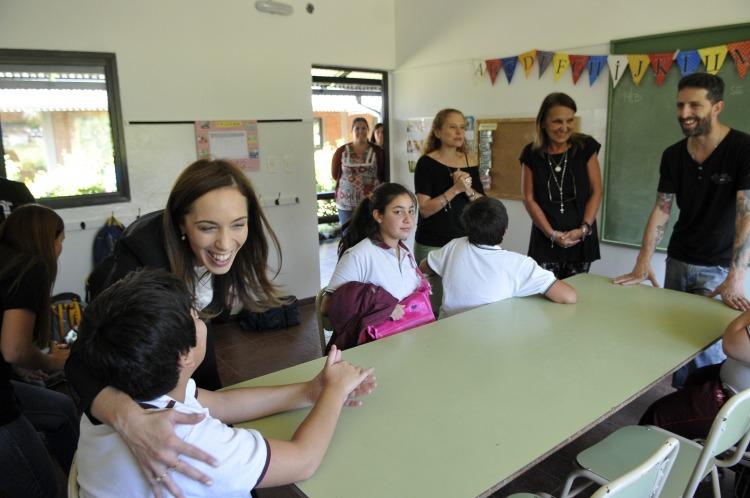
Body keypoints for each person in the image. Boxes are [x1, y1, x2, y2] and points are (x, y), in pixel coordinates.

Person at [66, 158, 285, 497]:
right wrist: (130, 420)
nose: (226, 243)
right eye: (208, 227)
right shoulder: (140, 258)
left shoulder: (221, 254)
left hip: (185, 381)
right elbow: (80, 360)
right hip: (141, 397)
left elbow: (204, 381)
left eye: (238, 225)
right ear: (182, 223)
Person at [74, 269, 376, 497]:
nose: (202, 319)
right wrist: (334, 391)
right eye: (195, 316)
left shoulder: (112, 400)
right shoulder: (193, 442)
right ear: (184, 356)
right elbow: (302, 460)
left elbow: (222, 402)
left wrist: (312, 391)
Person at [614, 73, 750, 387]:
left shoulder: (743, 148)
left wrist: (736, 276)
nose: (684, 113)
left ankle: (704, 411)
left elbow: (746, 214)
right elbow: (662, 209)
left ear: (717, 107)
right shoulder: (673, 155)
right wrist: (642, 261)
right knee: (674, 343)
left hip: (717, 268)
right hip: (678, 260)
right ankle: (679, 407)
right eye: (680, 105)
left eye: (694, 105)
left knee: (705, 351)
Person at [0, 204, 79, 498]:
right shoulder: (30, 267)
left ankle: (85, 484)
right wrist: (51, 361)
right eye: (60, 239)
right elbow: (13, 348)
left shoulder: (6, 261)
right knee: (42, 488)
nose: (60, 248)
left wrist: (20, 366)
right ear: (46, 239)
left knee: (61, 410)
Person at [420, 197, 576, 318]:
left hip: (447, 329)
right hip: (491, 337)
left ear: (467, 226)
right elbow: (569, 297)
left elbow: (423, 267)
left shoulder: (455, 246)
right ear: (505, 230)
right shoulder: (519, 264)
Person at [322, 183, 428, 350]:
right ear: (378, 215)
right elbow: (328, 306)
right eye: (398, 212)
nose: (408, 219)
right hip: (373, 348)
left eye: (411, 211)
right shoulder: (359, 255)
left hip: (408, 340)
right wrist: (383, 306)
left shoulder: (405, 252)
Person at [520, 92, 602, 280]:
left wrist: (583, 229)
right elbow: (528, 198)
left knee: (576, 293)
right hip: (546, 240)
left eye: (569, 120)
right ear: (543, 122)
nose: (564, 128)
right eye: (557, 121)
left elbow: (596, 191)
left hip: (581, 239)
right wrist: (551, 234)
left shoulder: (585, 147)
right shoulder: (531, 153)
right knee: (544, 294)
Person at [413, 108, 485, 312]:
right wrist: (455, 189)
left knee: (462, 305)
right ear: (437, 132)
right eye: (453, 127)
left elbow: (483, 204)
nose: (459, 132)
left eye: (462, 127)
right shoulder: (426, 163)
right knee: (435, 308)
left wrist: (467, 189)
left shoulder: (470, 160)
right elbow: (425, 209)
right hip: (433, 244)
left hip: (465, 243)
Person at [640, 310, 750, 440]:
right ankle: (684, 435)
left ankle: (647, 444)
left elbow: (732, 344)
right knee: (698, 376)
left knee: (658, 416)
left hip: (739, 410)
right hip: (730, 383)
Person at [331, 117, 386, 229]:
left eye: (364, 128)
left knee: (369, 234)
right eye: (357, 128)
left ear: (368, 130)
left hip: (370, 203)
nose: (361, 131)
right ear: (352, 131)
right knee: (348, 234)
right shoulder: (341, 151)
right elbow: (335, 174)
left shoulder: (377, 151)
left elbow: (382, 173)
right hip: (345, 204)